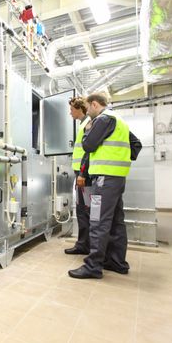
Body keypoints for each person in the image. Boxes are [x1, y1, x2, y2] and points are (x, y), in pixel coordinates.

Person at [68, 93, 142, 279]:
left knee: (98, 220)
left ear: (94, 104)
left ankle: (93, 266)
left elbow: (89, 145)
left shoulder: (103, 118)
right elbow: (135, 145)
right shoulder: (119, 120)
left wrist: (89, 135)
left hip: (104, 178)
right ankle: (117, 262)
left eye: (88, 107)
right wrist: (121, 159)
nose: (88, 111)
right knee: (116, 220)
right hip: (116, 177)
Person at [65, 97, 92, 255]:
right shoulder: (83, 124)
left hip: (84, 175)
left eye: (72, 109)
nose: (70, 112)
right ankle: (83, 244)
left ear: (80, 109)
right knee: (82, 209)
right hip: (81, 173)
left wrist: (82, 173)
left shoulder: (88, 123)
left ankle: (85, 245)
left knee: (85, 209)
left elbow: (88, 151)